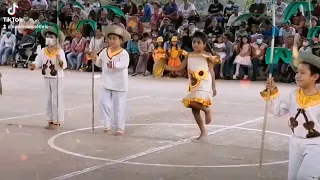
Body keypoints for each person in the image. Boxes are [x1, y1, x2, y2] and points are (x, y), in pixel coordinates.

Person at [261, 49, 320, 180]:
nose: (298, 75)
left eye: (303, 73)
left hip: (317, 144)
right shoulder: (294, 94)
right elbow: (277, 111)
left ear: (315, 77)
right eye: (297, 72)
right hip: (295, 142)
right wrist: (272, 92)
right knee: (293, 177)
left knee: (305, 177)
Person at [164, 31, 220, 140]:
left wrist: (214, 86)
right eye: (194, 42)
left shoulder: (208, 55)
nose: (195, 44)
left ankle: (207, 110)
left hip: (204, 82)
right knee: (193, 107)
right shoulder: (188, 55)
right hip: (193, 83)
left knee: (194, 102)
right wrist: (167, 67)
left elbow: (212, 71)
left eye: (198, 42)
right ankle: (203, 131)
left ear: (204, 44)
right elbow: (180, 67)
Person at [92, 25, 131, 135]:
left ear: (121, 40)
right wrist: (95, 58)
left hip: (119, 84)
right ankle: (107, 123)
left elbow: (124, 64)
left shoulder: (124, 53)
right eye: (110, 39)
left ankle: (119, 127)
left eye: (114, 39)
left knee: (119, 106)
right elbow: (100, 63)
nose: (112, 41)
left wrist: (114, 64)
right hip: (106, 82)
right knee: (103, 102)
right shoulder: (105, 51)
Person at [29, 25, 67, 130]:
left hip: (57, 78)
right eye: (47, 36)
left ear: (56, 39)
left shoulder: (60, 51)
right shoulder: (43, 51)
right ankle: (50, 120)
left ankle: (57, 121)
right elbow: (38, 61)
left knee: (56, 100)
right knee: (48, 99)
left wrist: (59, 60)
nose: (49, 38)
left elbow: (64, 65)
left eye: (51, 36)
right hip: (47, 76)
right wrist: (34, 65)